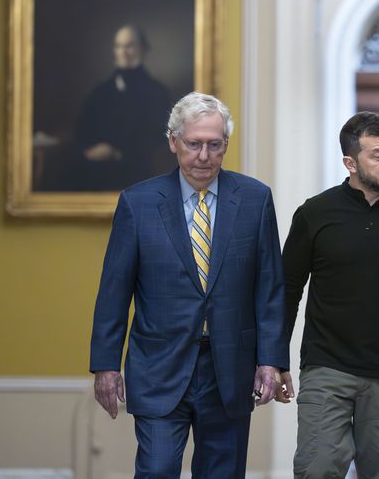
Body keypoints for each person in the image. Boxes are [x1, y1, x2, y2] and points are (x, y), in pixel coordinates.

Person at [89, 92, 289, 478]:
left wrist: (271, 361)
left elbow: (270, 289)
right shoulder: (138, 203)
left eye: (214, 145)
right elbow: (114, 291)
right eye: (193, 144)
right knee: (157, 469)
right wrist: (105, 365)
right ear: (173, 142)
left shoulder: (254, 199)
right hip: (159, 366)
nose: (203, 156)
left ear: (226, 145)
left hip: (229, 369)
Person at [280, 111, 379, 478]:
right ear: (351, 163)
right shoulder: (315, 213)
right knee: (316, 470)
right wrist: (274, 360)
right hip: (326, 367)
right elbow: (287, 290)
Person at [71, 24, 173, 191]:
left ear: (143, 49)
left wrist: (117, 153)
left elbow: (160, 137)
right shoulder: (100, 91)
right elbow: (81, 130)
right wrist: (88, 151)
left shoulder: (157, 92)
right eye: (118, 46)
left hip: (137, 170)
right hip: (94, 169)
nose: (123, 52)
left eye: (129, 46)